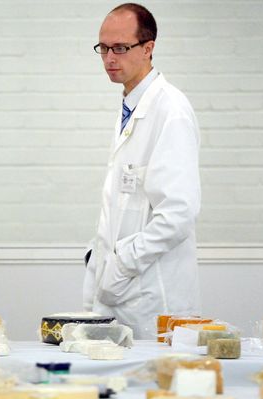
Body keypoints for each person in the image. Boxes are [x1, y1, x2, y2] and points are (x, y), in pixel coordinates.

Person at [83, 3, 202, 340]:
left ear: (148, 48)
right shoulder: (131, 107)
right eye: (103, 48)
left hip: (153, 298)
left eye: (120, 47)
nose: (109, 58)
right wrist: (100, 257)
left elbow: (179, 212)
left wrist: (122, 264)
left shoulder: (170, 110)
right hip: (122, 294)